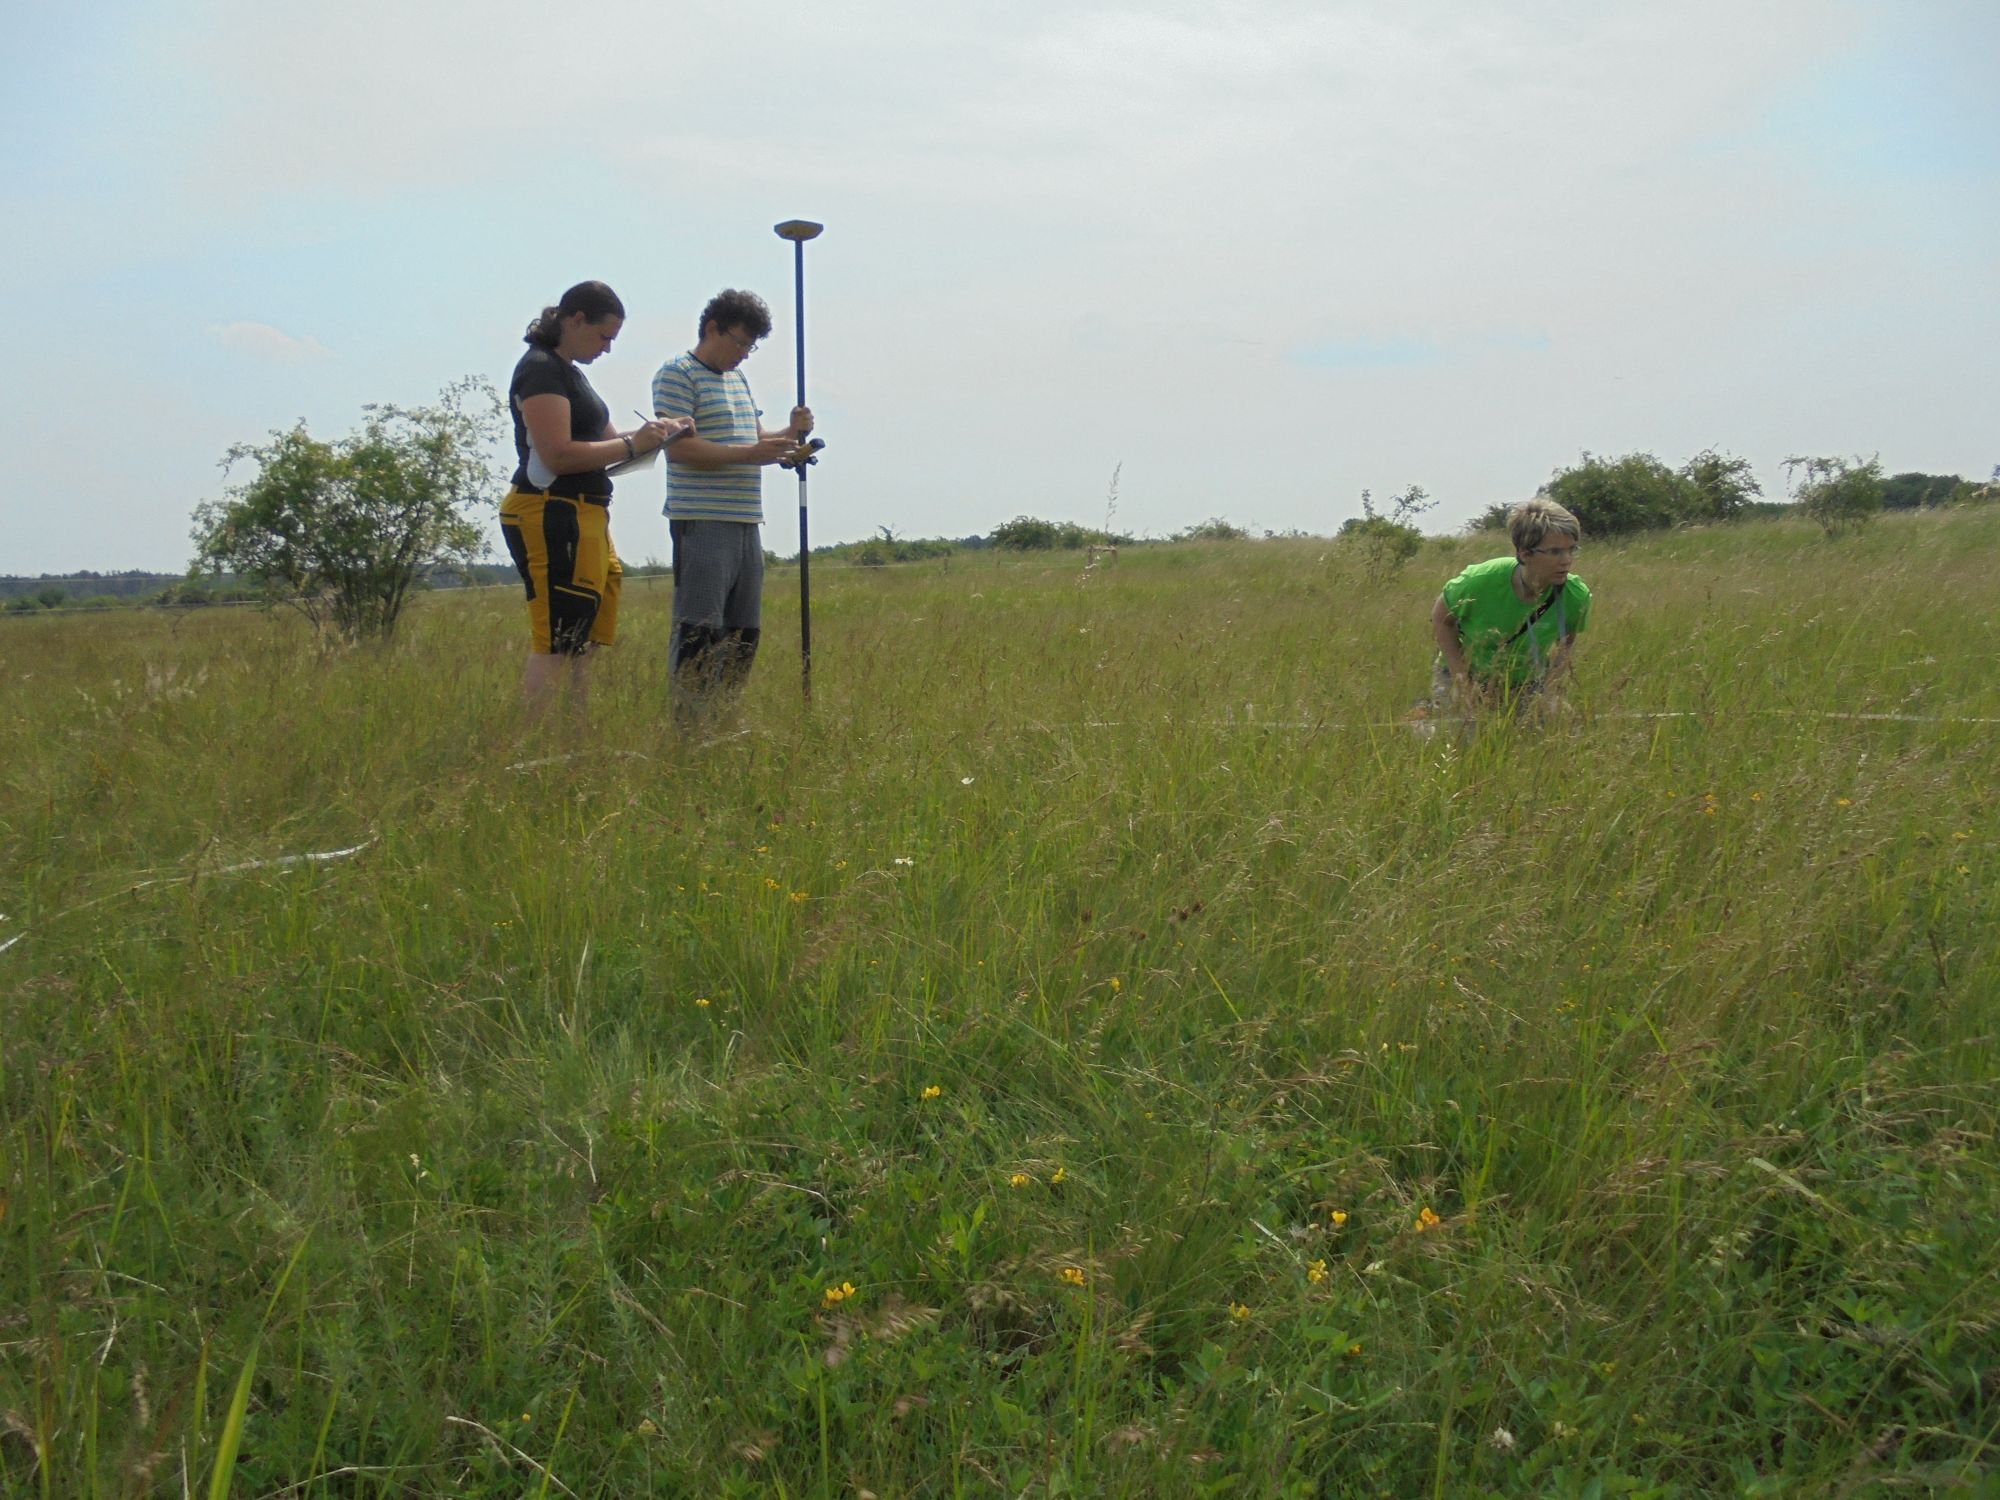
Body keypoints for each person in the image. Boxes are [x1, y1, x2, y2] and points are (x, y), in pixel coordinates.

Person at [500, 281, 691, 719]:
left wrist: (661, 433)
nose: (607, 349)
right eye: (603, 337)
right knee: (556, 639)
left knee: (581, 638)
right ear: (575, 319)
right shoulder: (540, 369)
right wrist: (632, 444)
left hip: (586, 514)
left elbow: (608, 444)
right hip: (551, 511)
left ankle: (573, 740)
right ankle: (536, 747)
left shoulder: (570, 372)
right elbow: (558, 454)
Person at [652, 288, 813, 723]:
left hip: (746, 520)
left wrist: (790, 436)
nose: (744, 353)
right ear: (711, 329)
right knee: (699, 629)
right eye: (739, 342)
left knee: (743, 632)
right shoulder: (677, 373)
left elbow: (755, 440)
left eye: (751, 346)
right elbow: (680, 450)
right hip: (702, 520)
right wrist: (750, 455)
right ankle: (690, 728)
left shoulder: (738, 380)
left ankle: (723, 718)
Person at [1425, 498, 1591, 721]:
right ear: (1525, 554)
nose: (1567, 561)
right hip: (1466, 675)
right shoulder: (1480, 581)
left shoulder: (1575, 595)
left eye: (1572, 550)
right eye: (1554, 552)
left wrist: (1550, 691)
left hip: (1526, 683)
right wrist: (1462, 682)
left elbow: (1567, 641)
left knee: (1556, 728)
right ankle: (1424, 723)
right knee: (1467, 738)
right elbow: (1441, 618)